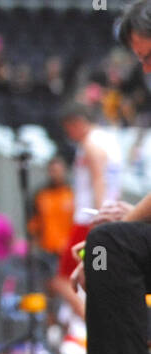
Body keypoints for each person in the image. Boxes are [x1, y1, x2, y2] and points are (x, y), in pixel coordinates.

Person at [42, 0, 151, 354]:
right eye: (141, 61)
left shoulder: (93, 144)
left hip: (92, 216)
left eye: (150, 57)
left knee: (105, 247)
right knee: (105, 252)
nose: (146, 71)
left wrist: (112, 229)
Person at [55, 101, 124, 318]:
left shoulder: (91, 144)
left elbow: (98, 181)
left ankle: (94, 322)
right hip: (109, 220)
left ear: (76, 123)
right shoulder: (108, 140)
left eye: (69, 128)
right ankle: (100, 322)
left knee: (62, 280)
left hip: (89, 221)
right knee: (99, 276)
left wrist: (99, 218)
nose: (69, 134)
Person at [28, 155, 75, 320]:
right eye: (52, 170)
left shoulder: (72, 193)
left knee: (70, 289)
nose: (55, 174)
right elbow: (34, 225)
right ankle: (52, 328)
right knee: (50, 292)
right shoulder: (41, 194)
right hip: (47, 250)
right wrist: (33, 249)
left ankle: (71, 327)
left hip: (69, 250)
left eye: (58, 170)